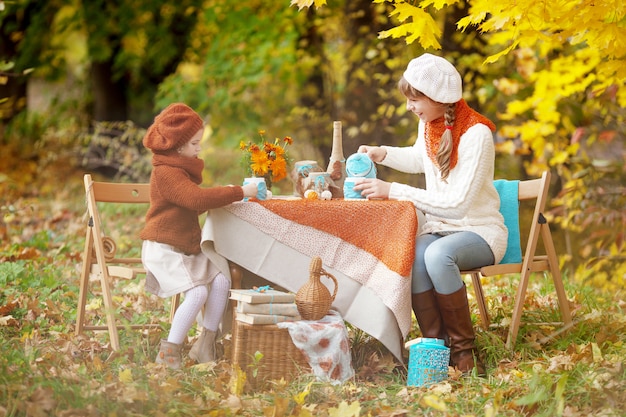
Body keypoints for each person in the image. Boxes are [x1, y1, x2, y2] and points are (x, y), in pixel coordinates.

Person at [354, 54, 507, 375]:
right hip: (443, 229)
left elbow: (457, 204)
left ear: (438, 98)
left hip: (479, 231)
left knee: (437, 255)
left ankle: (465, 353)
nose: (410, 106)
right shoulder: (430, 125)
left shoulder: (477, 134)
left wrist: (393, 190)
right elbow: (419, 159)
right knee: (417, 252)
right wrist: (383, 153)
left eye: (415, 99)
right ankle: (435, 349)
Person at [140, 103, 258, 369]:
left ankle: (206, 343)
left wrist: (227, 191)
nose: (199, 148)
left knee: (220, 279)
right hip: (164, 249)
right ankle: (168, 352)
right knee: (196, 294)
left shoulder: (180, 170)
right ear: (178, 146)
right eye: (194, 143)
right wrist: (238, 191)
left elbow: (196, 202)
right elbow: (195, 199)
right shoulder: (166, 172)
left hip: (185, 247)